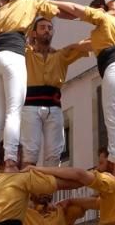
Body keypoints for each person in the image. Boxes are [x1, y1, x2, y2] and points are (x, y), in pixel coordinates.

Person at [55, 0, 115, 172]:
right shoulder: (109, 30)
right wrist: (62, 50)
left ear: (100, 8)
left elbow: (73, 7)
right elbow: (82, 46)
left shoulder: (103, 18)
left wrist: (46, 4)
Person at [0, 0, 60, 171]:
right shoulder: (30, 2)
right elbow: (58, 10)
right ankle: (10, 161)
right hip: (12, 57)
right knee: (13, 112)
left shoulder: (1, 9)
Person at [21, 16, 89, 166]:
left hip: (54, 108)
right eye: (43, 27)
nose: (47, 30)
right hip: (30, 107)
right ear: (34, 33)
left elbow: (86, 45)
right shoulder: (25, 53)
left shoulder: (61, 55)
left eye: (50, 28)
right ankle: (28, 188)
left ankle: (48, 190)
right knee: (29, 154)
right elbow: (17, 32)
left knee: (54, 156)